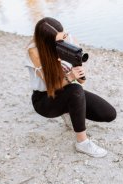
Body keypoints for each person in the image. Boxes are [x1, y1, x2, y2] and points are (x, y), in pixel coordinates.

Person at [25, 17, 116, 158]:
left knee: (109, 114)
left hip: (67, 91)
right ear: (47, 41)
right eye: (58, 41)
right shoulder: (35, 52)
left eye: (63, 36)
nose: (63, 41)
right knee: (75, 90)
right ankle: (82, 143)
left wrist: (77, 69)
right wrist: (70, 77)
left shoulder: (69, 41)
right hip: (45, 99)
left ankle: (68, 110)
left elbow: (81, 81)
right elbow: (52, 86)